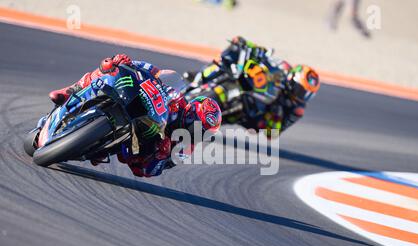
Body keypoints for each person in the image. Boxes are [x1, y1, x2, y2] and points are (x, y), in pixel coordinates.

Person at [49, 54, 222, 177]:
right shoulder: (179, 100)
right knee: (109, 67)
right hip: (139, 106)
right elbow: (153, 72)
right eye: (199, 128)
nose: (198, 134)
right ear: (191, 114)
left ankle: (101, 144)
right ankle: (68, 92)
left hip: (136, 148)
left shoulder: (186, 148)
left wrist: (160, 156)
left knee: (117, 156)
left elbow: (148, 172)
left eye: (203, 133)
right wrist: (128, 63)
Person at [190, 36, 320, 136]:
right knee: (231, 59)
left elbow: (273, 134)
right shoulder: (284, 68)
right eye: (301, 90)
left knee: (256, 121)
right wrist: (257, 51)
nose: (301, 95)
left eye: (307, 94)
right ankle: (199, 79)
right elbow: (268, 60)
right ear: (293, 79)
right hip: (254, 89)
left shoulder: (297, 109)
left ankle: (209, 123)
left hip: (257, 115)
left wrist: (275, 115)